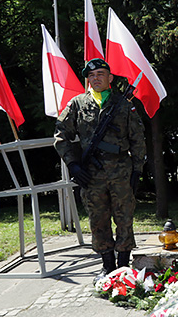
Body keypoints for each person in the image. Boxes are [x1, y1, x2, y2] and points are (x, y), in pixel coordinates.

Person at [54, 58, 146, 280]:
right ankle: (107, 265)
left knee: (124, 217)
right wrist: (73, 164)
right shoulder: (77, 104)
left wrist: (137, 169)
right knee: (98, 218)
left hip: (121, 171)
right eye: (91, 76)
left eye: (100, 74)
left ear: (110, 78)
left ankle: (124, 265)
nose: (96, 78)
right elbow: (60, 136)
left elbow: (137, 138)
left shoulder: (124, 104)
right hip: (91, 174)